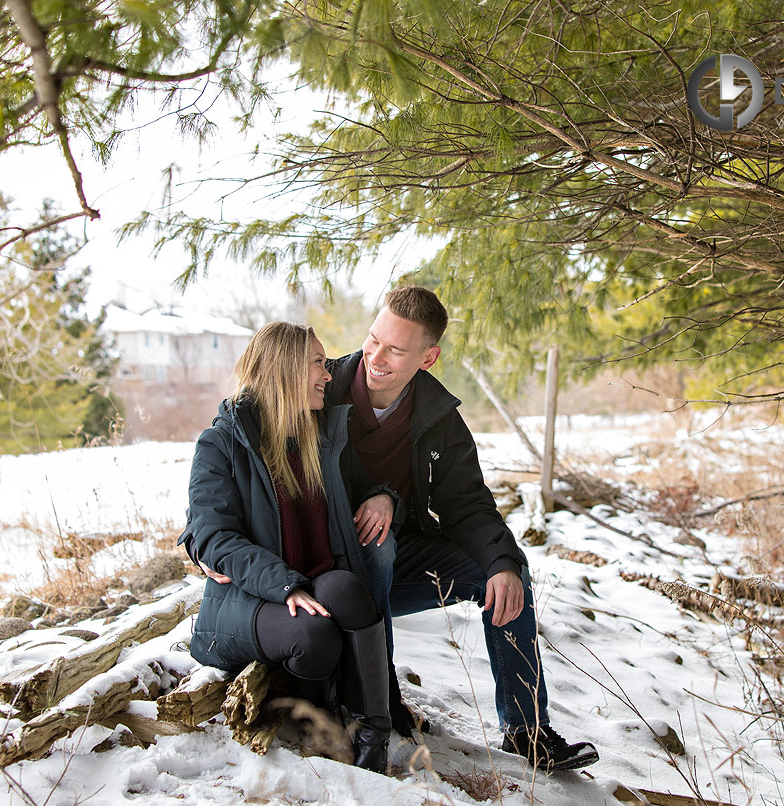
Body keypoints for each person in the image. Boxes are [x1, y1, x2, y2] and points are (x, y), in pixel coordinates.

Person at [326, 286, 600, 772]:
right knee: (378, 541)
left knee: (504, 576)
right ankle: (380, 706)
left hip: (395, 565)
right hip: (327, 570)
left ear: (427, 357)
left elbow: (468, 505)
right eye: (374, 340)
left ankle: (525, 728)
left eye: (396, 349)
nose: (377, 357)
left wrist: (501, 562)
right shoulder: (321, 389)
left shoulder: (439, 420)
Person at [180, 322, 399, 773]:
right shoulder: (221, 443)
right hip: (245, 601)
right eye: (318, 363)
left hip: (314, 581)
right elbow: (213, 536)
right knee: (313, 635)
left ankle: (374, 733)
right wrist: (285, 585)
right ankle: (320, 724)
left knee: (346, 591)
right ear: (284, 370)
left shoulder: (322, 434)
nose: (327, 374)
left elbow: (367, 485)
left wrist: (384, 497)